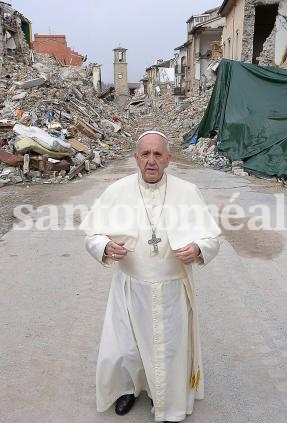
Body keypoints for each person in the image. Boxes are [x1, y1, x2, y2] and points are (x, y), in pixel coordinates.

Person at [80, 130, 221, 422]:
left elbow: (212, 239)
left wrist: (198, 248)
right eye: (145, 154)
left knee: (169, 350)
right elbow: (91, 235)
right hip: (130, 286)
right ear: (136, 158)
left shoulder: (187, 192)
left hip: (172, 289)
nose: (151, 161)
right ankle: (129, 389)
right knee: (126, 346)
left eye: (158, 154)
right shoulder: (117, 191)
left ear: (169, 159)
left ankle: (167, 401)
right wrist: (104, 246)